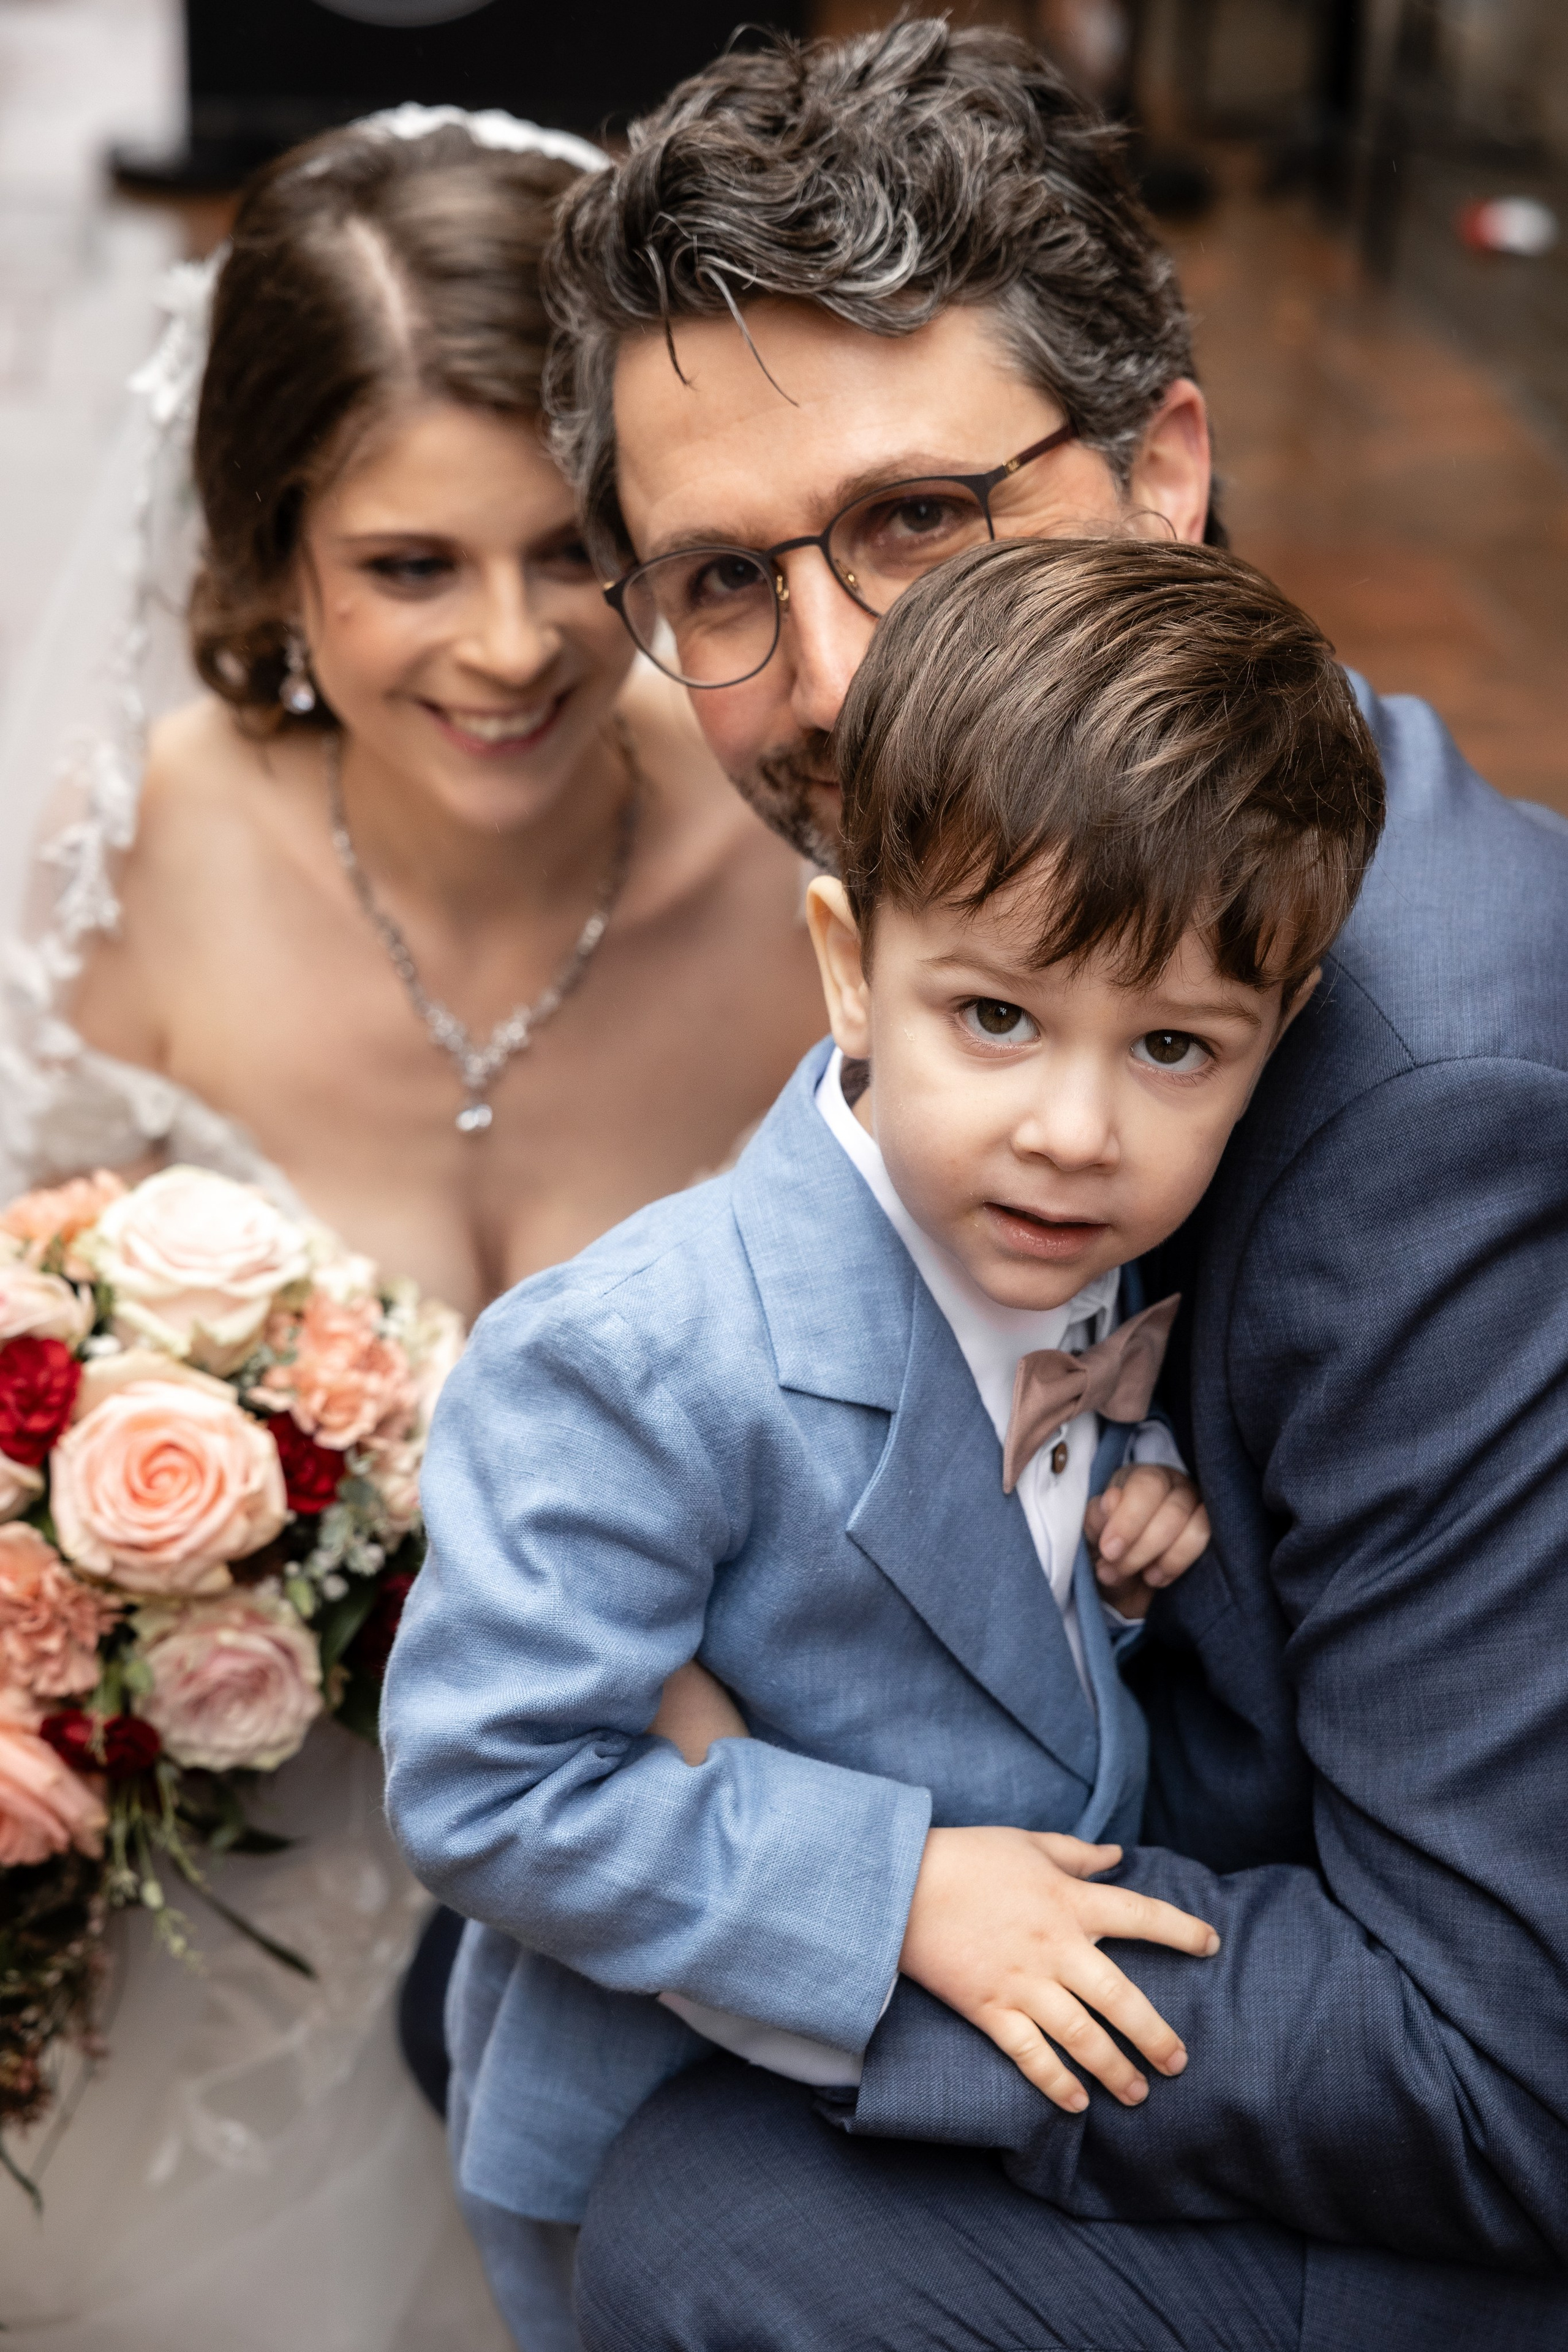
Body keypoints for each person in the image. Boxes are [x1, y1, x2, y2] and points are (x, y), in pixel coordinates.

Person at [538, 22, 1568, 2349]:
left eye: (918, 521)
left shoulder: (1433, 1114)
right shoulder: (1021, 903)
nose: (831, 681)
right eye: (718, 582)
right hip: (1202, 1804)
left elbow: (1507, 2062)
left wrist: (812, 1927)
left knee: (700, 2219)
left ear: (1165, 462)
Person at [0, 104, 824, 2352]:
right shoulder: (130, 872)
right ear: (267, 566)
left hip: (709, 1840)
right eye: (408, 567)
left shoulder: (798, 883)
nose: (516, 647)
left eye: (580, 552)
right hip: (250, 1897)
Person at [383, 532, 1386, 2346]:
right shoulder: (635, 1362)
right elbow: (488, 1781)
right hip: (667, 2126)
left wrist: (1127, 1543)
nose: (1074, 1130)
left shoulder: (1109, 1250)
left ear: (1282, 1029)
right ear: (851, 965)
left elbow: (978, 1614)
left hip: (971, 2120)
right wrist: (896, 1888)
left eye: (1176, 1048)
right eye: (993, 1018)